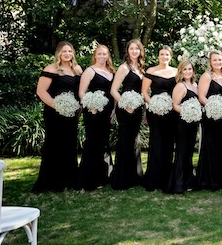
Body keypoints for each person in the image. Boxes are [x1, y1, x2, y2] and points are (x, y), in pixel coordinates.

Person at [33, 41, 83, 192]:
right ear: (58, 54)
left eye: (69, 51)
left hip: (72, 114)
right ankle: (52, 181)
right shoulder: (51, 68)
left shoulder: (77, 69)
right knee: (54, 144)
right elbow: (41, 91)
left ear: (73, 53)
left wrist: (79, 106)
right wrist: (58, 106)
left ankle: (69, 179)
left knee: (69, 144)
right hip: (54, 113)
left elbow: (80, 90)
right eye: (64, 51)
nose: (67, 54)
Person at [78, 44, 115, 190]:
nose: (102, 56)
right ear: (95, 55)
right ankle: (88, 178)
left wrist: (114, 111)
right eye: (99, 54)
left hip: (107, 112)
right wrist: (91, 105)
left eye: (104, 54)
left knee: (103, 143)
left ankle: (102, 176)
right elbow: (82, 92)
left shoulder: (112, 71)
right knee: (93, 142)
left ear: (108, 56)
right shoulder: (90, 71)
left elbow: (113, 92)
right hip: (93, 111)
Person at [142, 45, 178, 191]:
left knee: (169, 143)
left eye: (167, 55)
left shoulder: (176, 72)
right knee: (156, 142)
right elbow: (144, 91)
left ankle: (166, 177)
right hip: (155, 112)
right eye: (162, 54)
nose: (164, 57)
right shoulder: (151, 71)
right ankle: (153, 178)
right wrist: (153, 105)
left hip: (171, 112)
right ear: (158, 56)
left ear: (171, 57)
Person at [110, 39, 145, 190]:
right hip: (125, 108)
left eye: (137, 49)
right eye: (131, 49)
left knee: (135, 140)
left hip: (138, 108)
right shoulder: (124, 68)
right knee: (125, 140)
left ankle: (135, 176)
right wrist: (126, 105)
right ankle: (122, 179)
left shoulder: (141, 68)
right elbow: (113, 90)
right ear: (127, 51)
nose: (134, 51)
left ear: (140, 51)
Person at [195, 50, 222, 190]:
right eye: (215, 60)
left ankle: (218, 178)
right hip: (209, 115)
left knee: (219, 146)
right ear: (210, 62)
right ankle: (207, 180)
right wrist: (213, 107)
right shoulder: (207, 76)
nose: (217, 62)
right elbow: (201, 96)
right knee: (210, 146)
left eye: (219, 60)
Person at [166, 60, 199, 194]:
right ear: (181, 71)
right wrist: (188, 112)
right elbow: (175, 105)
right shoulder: (180, 86)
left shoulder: (195, 85)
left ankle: (188, 180)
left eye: (190, 69)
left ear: (193, 71)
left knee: (189, 152)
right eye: (184, 69)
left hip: (193, 123)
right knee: (181, 152)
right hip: (182, 123)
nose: (187, 72)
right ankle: (178, 183)